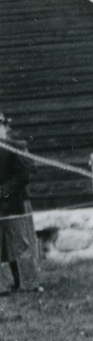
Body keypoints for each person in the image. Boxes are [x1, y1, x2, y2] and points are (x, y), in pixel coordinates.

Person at [0, 112, 38, 294]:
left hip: (12, 205)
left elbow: (23, 176)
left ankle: (29, 285)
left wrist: (3, 192)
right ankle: (3, 287)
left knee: (22, 245)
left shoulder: (14, 148)